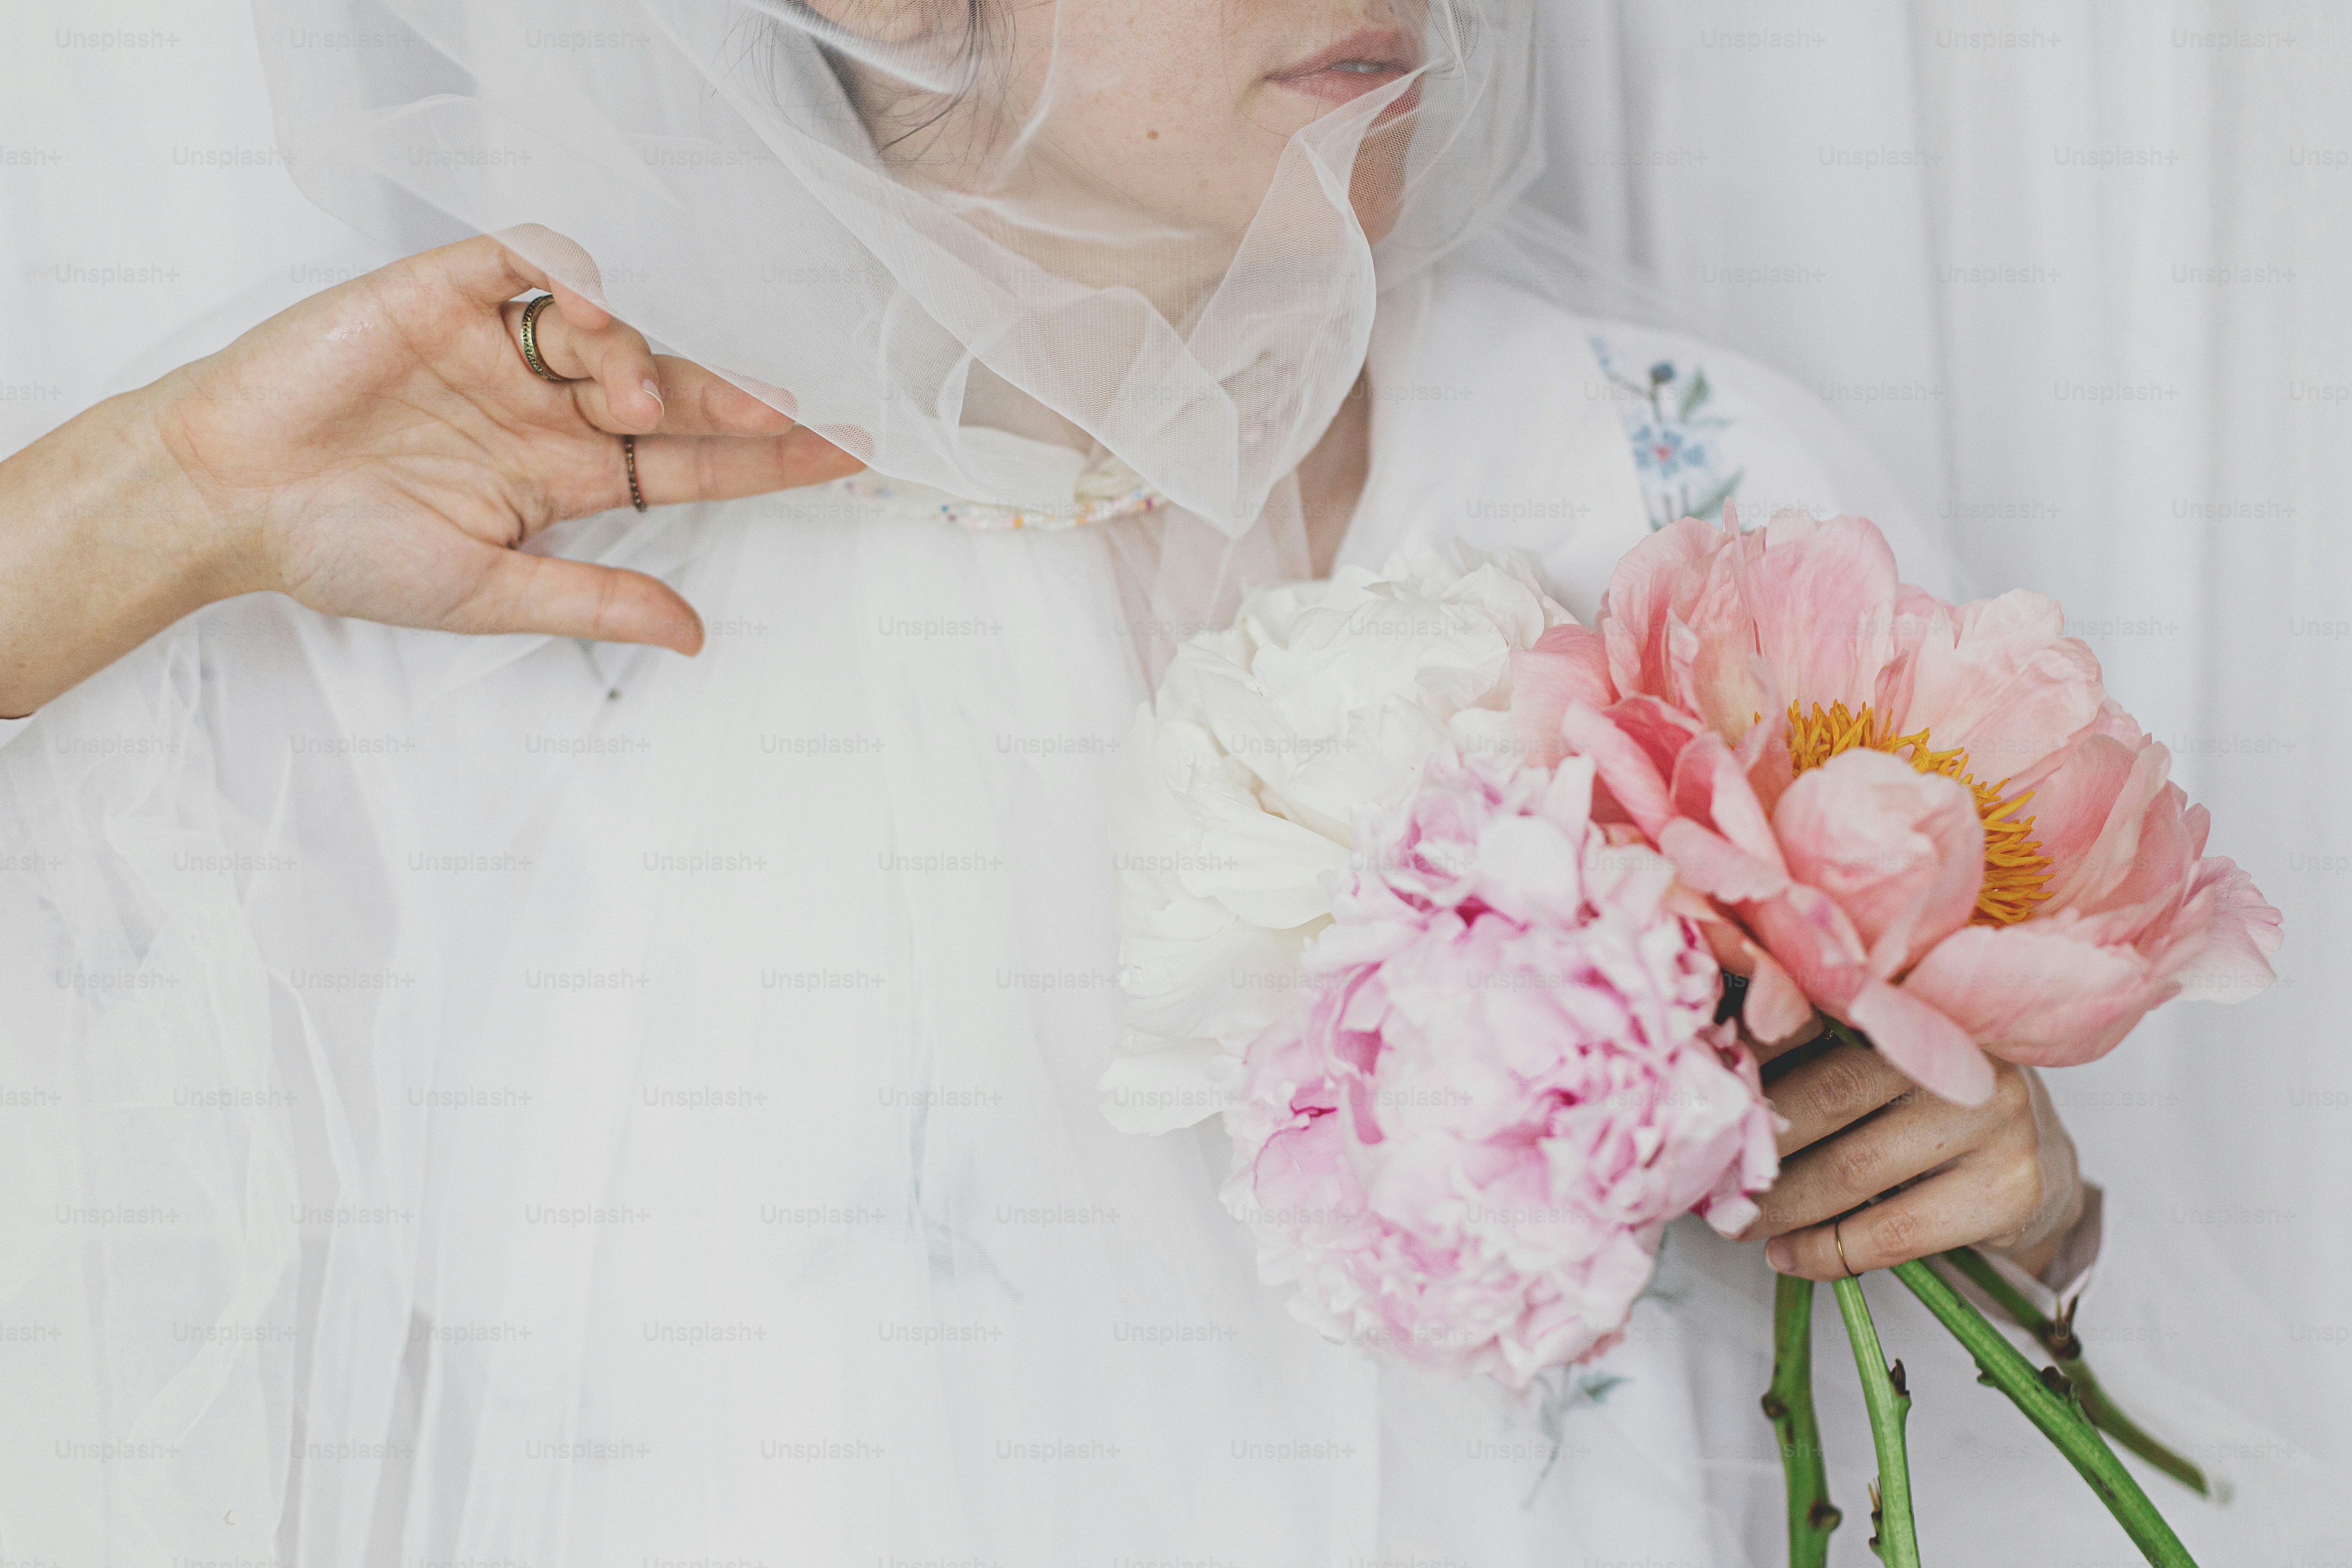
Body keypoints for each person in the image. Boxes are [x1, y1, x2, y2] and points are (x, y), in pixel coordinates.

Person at [1, 1, 2320, 1562]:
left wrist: (2009, 1196)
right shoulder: (527, 557)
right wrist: (171, 490)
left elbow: (2011, 1369)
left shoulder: (1681, 491)